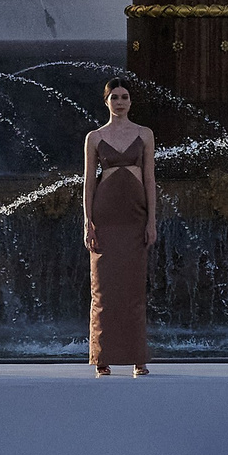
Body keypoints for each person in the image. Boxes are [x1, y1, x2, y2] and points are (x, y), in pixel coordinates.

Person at [83, 78, 158, 377]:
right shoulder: (95, 137)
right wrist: (87, 221)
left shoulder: (145, 134)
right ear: (106, 102)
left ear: (131, 101)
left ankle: (138, 358)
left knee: (134, 289)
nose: (120, 102)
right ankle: (103, 357)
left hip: (135, 215)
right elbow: (89, 181)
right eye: (114, 97)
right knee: (103, 289)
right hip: (105, 215)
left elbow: (150, 179)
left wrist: (152, 220)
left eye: (125, 97)